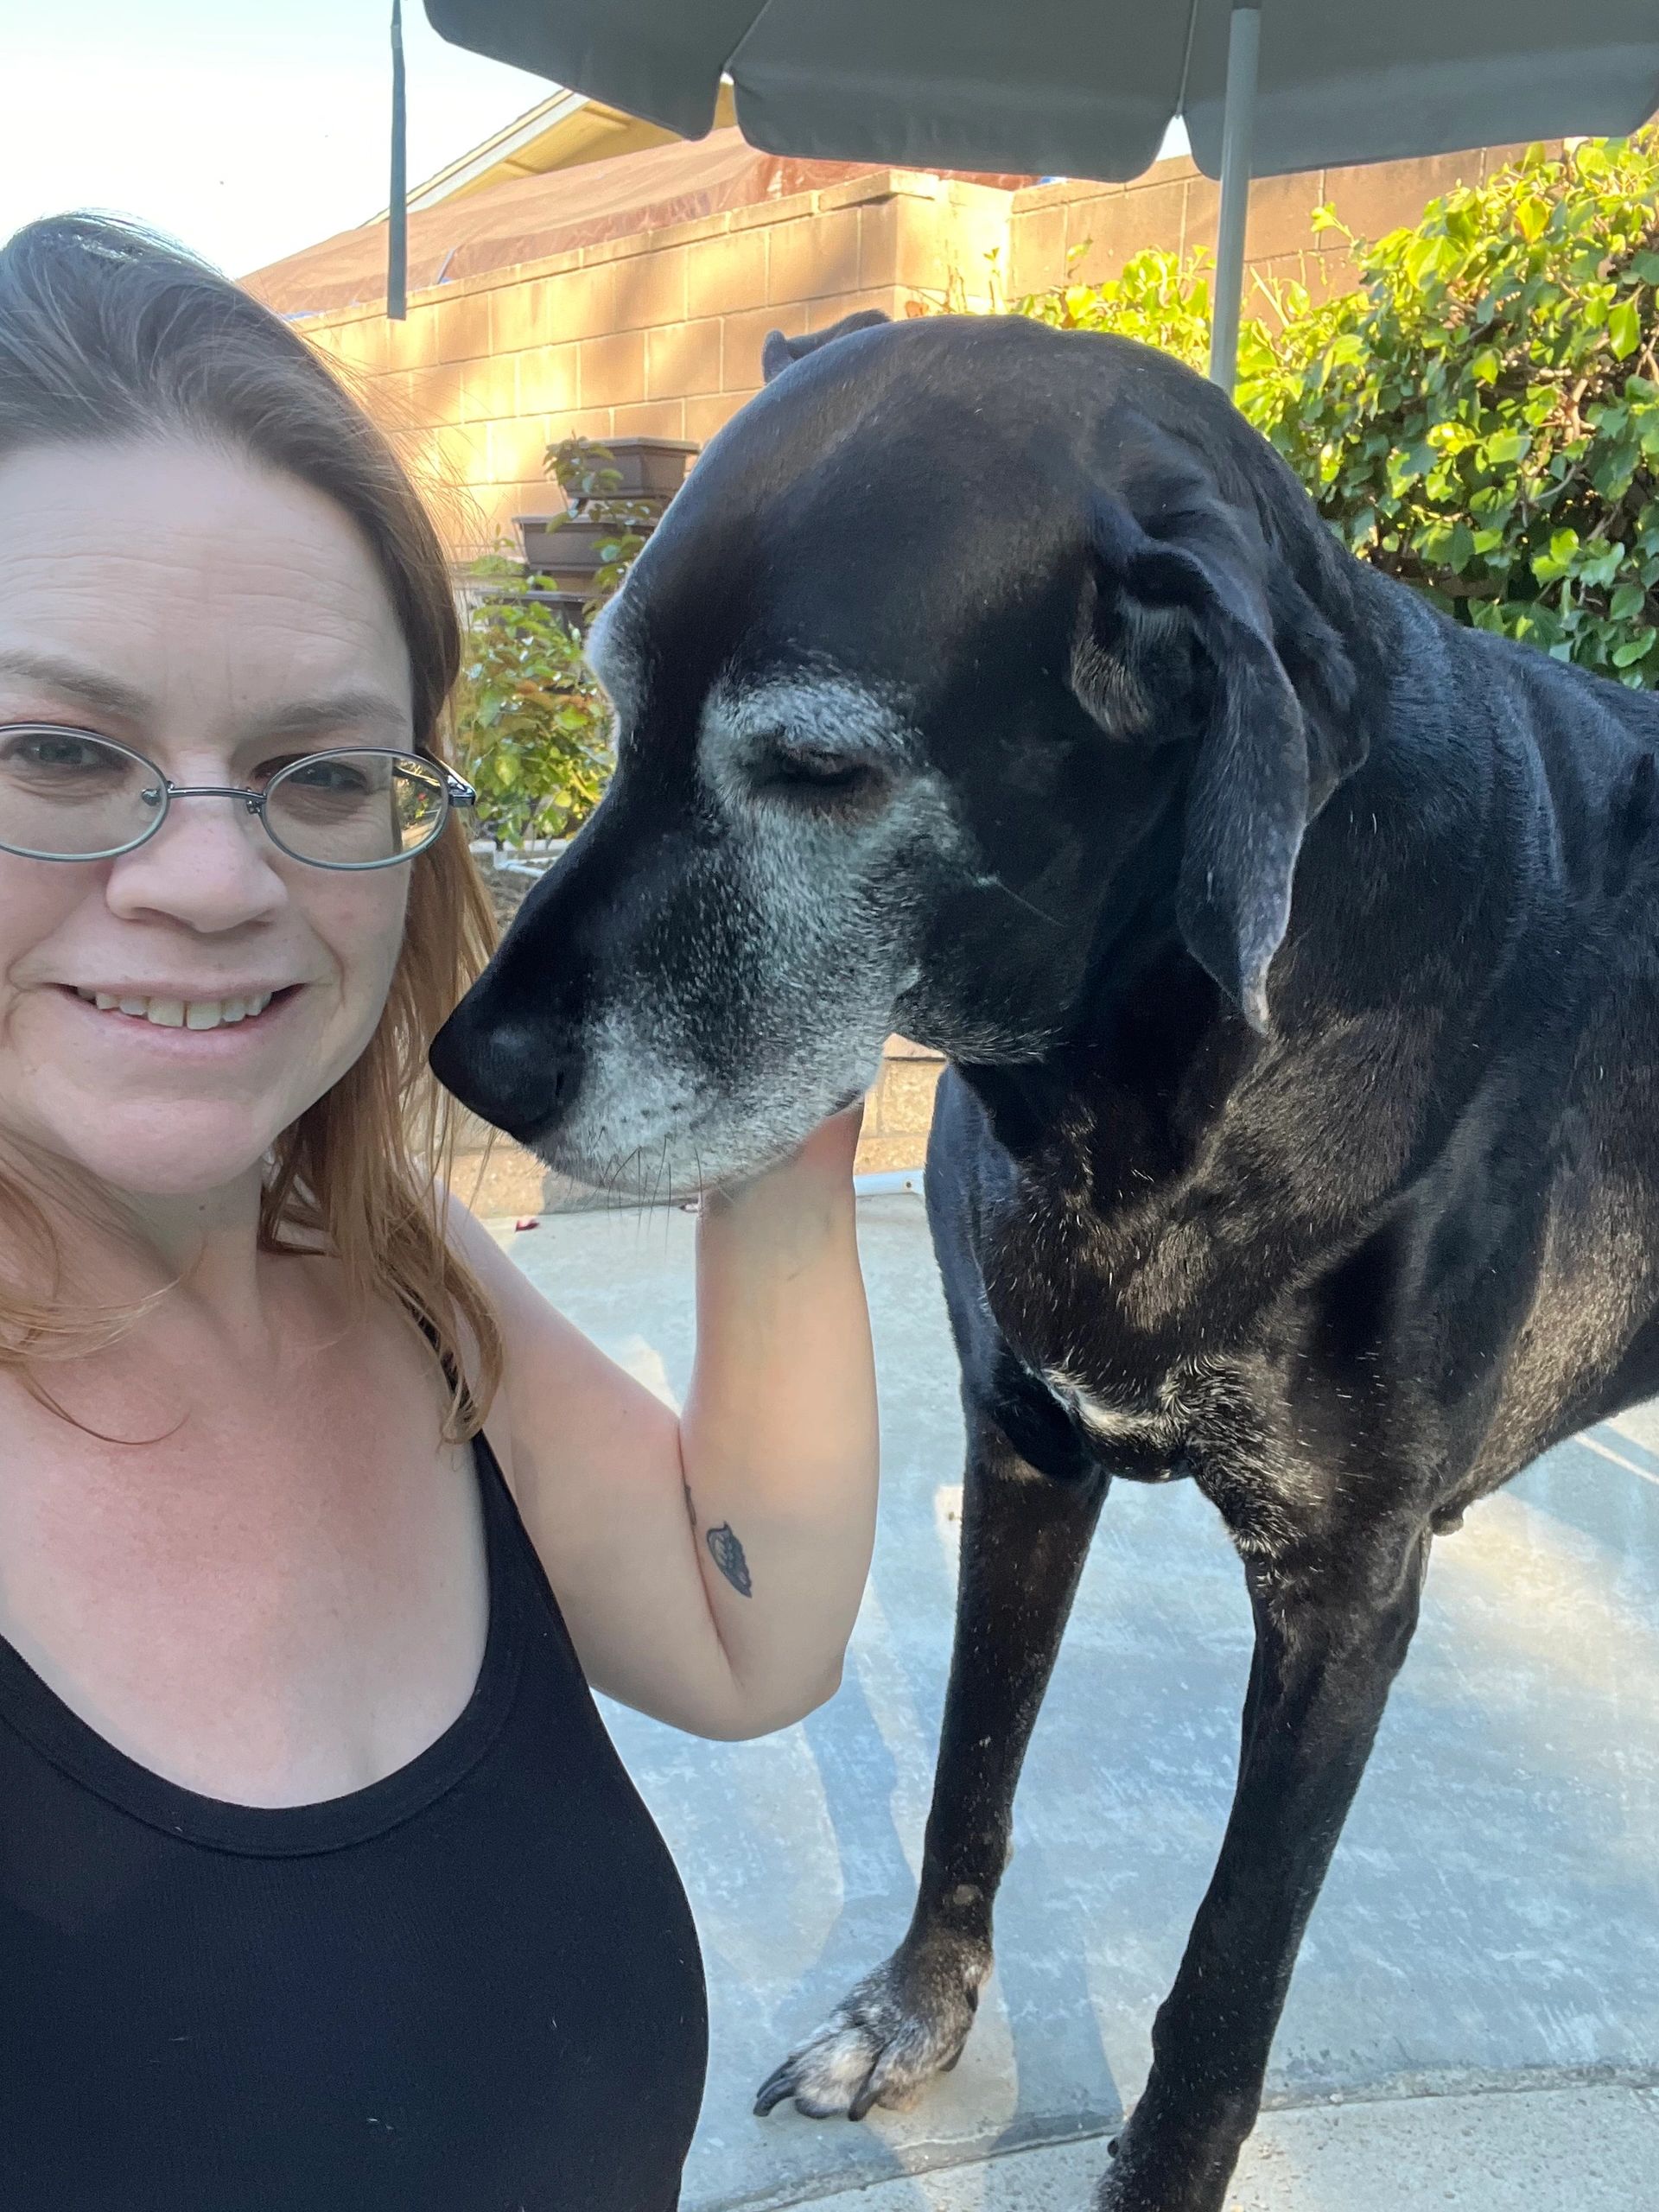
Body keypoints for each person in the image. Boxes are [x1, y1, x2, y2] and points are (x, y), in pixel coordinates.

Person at [0, 214, 880, 2212]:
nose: (218, 878)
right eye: (61, 750)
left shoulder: (385, 1274)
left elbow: (749, 1629)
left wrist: (780, 1096)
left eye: (320, 771)